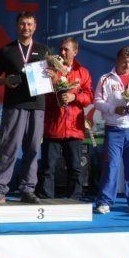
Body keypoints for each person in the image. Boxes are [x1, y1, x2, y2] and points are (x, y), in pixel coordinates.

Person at [0, 11, 48, 204]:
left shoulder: (43, 50)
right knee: (9, 147)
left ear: (35, 26)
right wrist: (5, 81)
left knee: (33, 149)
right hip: (14, 105)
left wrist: (53, 75)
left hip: (37, 105)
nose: (26, 27)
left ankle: (28, 189)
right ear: (17, 26)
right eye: (23, 24)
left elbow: (54, 77)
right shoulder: (7, 50)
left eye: (29, 24)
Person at [93, 46, 129, 214]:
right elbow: (97, 101)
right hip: (114, 128)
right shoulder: (106, 79)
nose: (127, 65)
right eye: (124, 62)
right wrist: (113, 109)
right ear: (117, 60)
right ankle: (105, 201)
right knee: (111, 165)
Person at [37, 38, 93, 200]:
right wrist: (57, 98)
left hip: (74, 129)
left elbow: (89, 97)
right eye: (61, 49)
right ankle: (46, 199)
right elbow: (41, 97)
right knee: (48, 167)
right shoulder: (50, 70)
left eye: (66, 50)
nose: (62, 52)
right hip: (53, 127)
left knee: (75, 167)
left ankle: (75, 199)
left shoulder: (83, 72)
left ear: (75, 51)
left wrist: (74, 97)